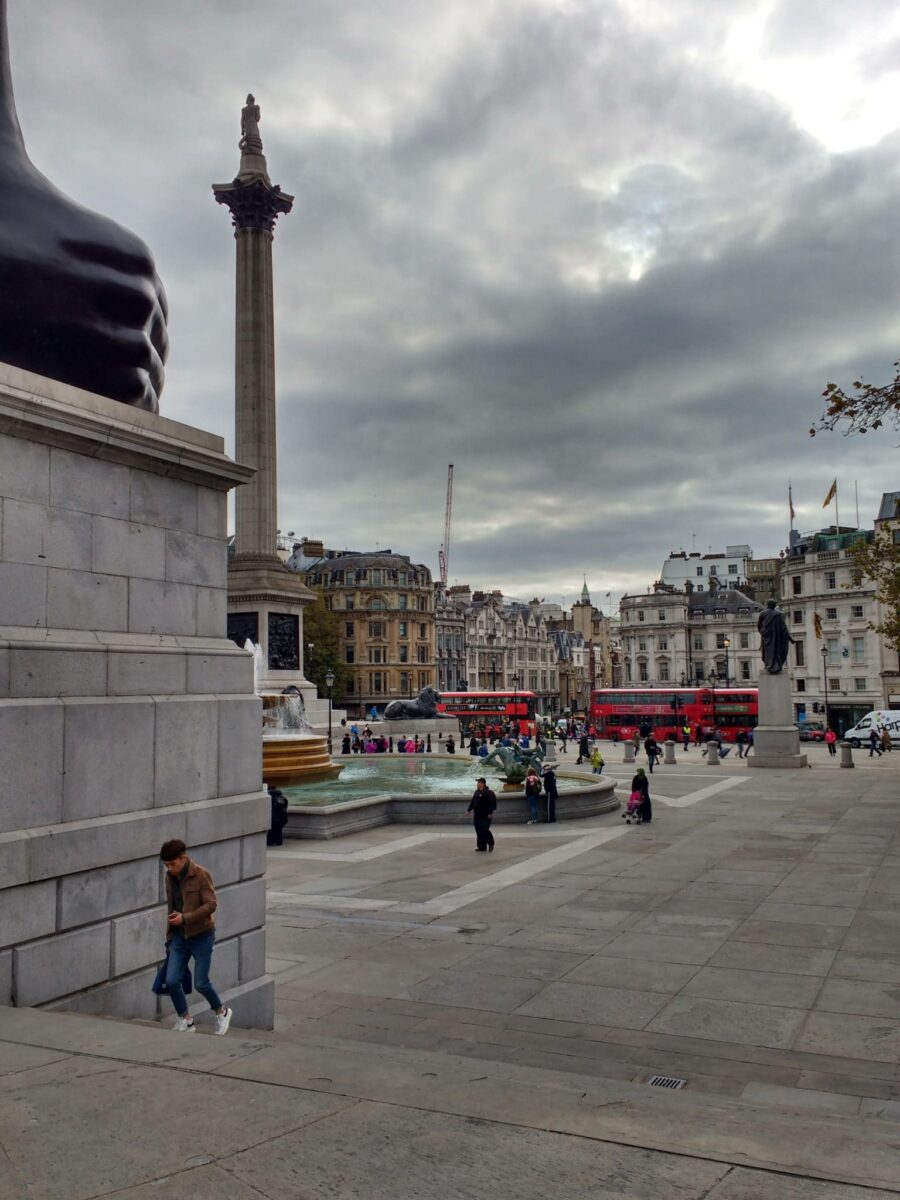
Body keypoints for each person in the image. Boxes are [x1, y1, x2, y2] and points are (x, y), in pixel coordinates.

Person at [159, 839, 232, 1035]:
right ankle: (185, 1019)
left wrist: (185, 918)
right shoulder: (169, 877)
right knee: (172, 980)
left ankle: (221, 1012)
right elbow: (172, 906)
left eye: (172, 864)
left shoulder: (201, 874)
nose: (169, 868)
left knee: (201, 982)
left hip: (202, 936)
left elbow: (211, 904)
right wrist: (170, 935)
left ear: (183, 858)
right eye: (166, 865)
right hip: (178, 937)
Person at [467, 777, 496, 852]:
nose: (477, 784)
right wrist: (469, 810)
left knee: (484, 829)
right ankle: (482, 847)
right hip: (477, 815)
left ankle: (491, 843)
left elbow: (492, 803)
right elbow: (473, 802)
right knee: (478, 830)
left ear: (482, 784)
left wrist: (491, 813)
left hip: (486, 815)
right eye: (477, 783)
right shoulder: (476, 792)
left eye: (478, 782)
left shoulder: (489, 793)